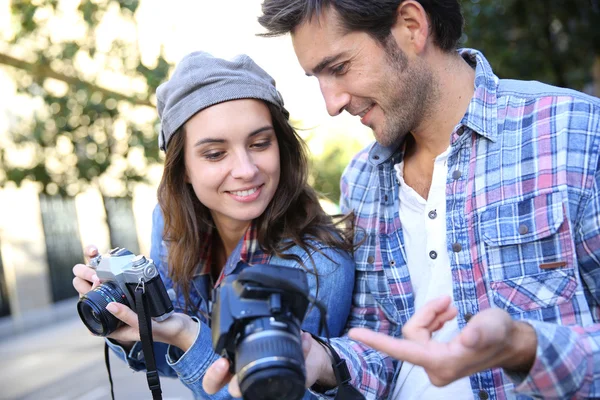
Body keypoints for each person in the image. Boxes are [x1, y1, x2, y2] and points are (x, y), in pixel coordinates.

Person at [202, 1, 600, 399]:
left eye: (338, 67)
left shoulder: (574, 133)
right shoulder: (361, 179)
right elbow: (381, 348)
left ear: (412, 26)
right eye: (317, 78)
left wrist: (523, 348)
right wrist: (321, 359)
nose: (332, 103)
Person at [71, 51, 356, 399]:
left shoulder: (318, 265)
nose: (246, 169)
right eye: (215, 153)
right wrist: (125, 321)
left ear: (280, 146)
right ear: (183, 169)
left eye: (260, 143)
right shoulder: (170, 224)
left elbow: (264, 393)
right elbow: (167, 359)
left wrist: (187, 335)